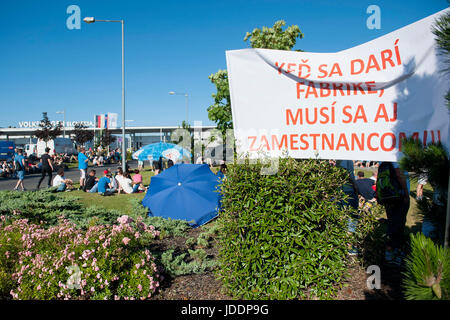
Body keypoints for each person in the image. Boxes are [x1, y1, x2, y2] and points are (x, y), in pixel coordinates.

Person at [377, 161, 410, 266]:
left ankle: (390, 253)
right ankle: (393, 253)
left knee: (392, 222)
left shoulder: (383, 157)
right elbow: (398, 174)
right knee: (398, 224)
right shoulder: (395, 156)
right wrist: (406, 193)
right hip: (398, 195)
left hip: (387, 195)